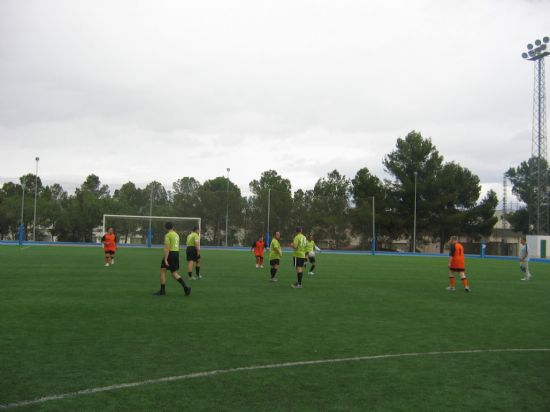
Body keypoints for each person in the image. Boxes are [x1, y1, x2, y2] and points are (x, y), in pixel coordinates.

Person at [153, 222, 191, 296]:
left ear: (165, 228)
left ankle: (162, 291)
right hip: (176, 253)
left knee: (163, 270)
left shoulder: (168, 235)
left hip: (170, 254)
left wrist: (166, 258)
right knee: (173, 273)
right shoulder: (176, 235)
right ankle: (186, 288)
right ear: (173, 227)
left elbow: (167, 247)